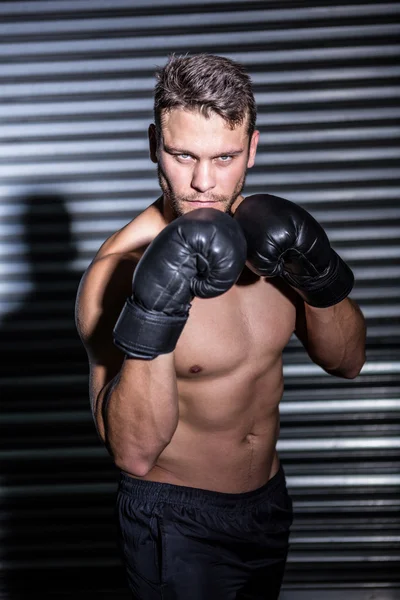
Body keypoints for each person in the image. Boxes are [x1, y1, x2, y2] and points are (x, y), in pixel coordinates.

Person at [75, 53, 366, 599]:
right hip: (175, 524)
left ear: (252, 149)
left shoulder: (273, 237)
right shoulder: (117, 270)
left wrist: (319, 274)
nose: (203, 181)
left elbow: (347, 362)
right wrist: (156, 307)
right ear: (153, 147)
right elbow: (134, 453)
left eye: (224, 157)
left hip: (269, 504)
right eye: (182, 154)